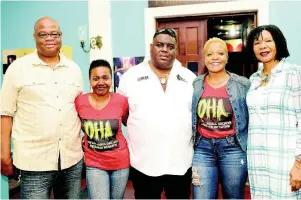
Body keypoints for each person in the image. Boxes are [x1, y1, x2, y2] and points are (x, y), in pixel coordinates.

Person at [0, 17, 84, 199]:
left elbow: (79, 109)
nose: (49, 38)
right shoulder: (17, 69)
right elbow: (5, 114)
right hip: (34, 163)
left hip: (72, 158)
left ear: (61, 36)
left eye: (54, 34)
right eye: (43, 34)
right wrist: (4, 154)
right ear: (34, 37)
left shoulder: (74, 69)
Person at [118, 27, 196, 199]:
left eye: (170, 46)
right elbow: (123, 116)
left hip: (180, 163)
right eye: (159, 45)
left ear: (176, 49)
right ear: (151, 46)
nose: (165, 50)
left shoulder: (189, 78)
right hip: (144, 163)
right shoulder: (131, 77)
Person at [246, 24, 301, 199]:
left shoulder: (294, 73)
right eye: (257, 43)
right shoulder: (253, 80)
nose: (263, 46)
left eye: (268, 41)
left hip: (285, 161)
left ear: (279, 43)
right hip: (258, 161)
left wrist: (299, 164)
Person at [191, 37, 250, 199]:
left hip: (233, 149)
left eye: (220, 53)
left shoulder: (243, 85)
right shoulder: (195, 84)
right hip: (203, 149)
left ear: (227, 57)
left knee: (234, 196)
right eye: (210, 54)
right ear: (205, 58)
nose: (215, 57)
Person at [75, 59, 130, 199]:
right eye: (96, 78)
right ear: (89, 80)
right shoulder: (80, 101)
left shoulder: (121, 101)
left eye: (105, 77)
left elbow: (128, 122)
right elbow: (79, 123)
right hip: (94, 163)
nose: (101, 82)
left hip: (120, 163)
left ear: (111, 79)